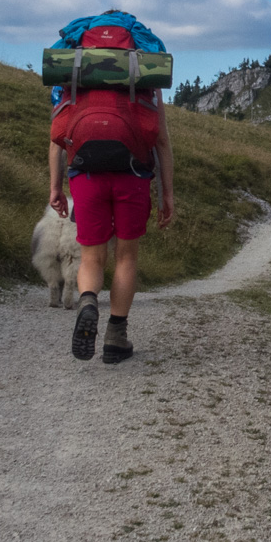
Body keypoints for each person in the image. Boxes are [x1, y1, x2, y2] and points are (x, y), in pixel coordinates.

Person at [49, 25, 176, 364]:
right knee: (126, 256)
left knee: (91, 258)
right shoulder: (143, 72)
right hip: (133, 173)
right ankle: (116, 336)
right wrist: (167, 194)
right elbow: (161, 141)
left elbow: (57, 137)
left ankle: (88, 300)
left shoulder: (76, 74)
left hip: (86, 173)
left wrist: (55, 187)